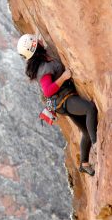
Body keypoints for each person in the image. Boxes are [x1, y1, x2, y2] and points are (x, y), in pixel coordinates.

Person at [17, 34, 98, 176]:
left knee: (85, 131)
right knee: (90, 109)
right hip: (64, 100)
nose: (41, 40)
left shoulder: (42, 62)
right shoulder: (43, 68)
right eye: (38, 41)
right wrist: (64, 77)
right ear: (35, 47)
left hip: (63, 101)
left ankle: (84, 164)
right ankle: (96, 144)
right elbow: (48, 91)